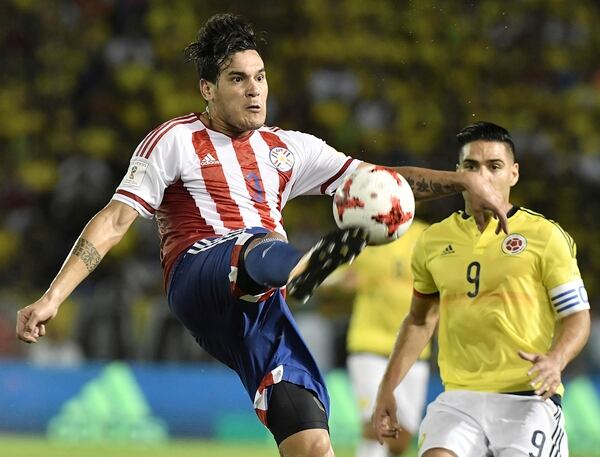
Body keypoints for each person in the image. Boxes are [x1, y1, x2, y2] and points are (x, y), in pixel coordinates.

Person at [16, 15, 507, 457]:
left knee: (313, 441)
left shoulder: (289, 149)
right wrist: (53, 296)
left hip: (263, 304)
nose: (254, 90)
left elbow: (381, 184)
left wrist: (462, 180)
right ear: (207, 88)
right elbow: (115, 220)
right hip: (201, 272)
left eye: (260, 77)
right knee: (253, 243)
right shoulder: (175, 140)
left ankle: (305, 269)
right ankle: (309, 265)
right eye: (237, 79)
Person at [373, 121, 591, 457]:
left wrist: (555, 360)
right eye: (471, 166)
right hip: (460, 398)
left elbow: (577, 316)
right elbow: (419, 321)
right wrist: (387, 389)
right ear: (457, 173)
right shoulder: (432, 242)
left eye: (494, 166)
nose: (481, 176)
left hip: (528, 399)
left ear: (513, 174)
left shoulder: (545, 236)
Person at [324, 218, 431, 457]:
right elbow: (329, 277)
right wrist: (342, 281)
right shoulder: (367, 237)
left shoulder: (427, 236)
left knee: (401, 438)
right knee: (376, 423)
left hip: (413, 350)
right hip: (369, 344)